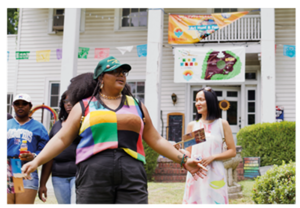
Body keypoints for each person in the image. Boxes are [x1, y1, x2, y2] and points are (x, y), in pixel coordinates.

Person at [21, 56, 207, 204]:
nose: (121, 75)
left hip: (132, 171)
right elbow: (61, 139)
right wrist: (37, 161)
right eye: (115, 72)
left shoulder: (136, 105)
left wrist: (183, 159)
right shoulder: (84, 106)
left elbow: (156, 140)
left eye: (123, 72)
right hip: (94, 173)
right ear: (101, 78)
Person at [175, 87, 236, 204]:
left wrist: (213, 157)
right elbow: (189, 152)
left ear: (210, 101)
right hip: (196, 174)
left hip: (215, 173)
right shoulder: (193, 125)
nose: (197, 103)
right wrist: (179, 151)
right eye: (196, 100)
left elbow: (232, 151)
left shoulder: (221, 124)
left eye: (201, 100)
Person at [38, 91, 79, 204]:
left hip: (78, 174)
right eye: (65, 101)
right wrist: (42, 184)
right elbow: (49, 155)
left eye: (72, 101)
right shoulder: (56, 126)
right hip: (58, 176)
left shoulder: (84, 123)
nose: (69, 104)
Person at [7, 93, 49, 204]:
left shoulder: (39, 127)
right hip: (7, 167)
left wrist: (34, 156)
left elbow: (46, 151)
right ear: (13, 106)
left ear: (30, 106)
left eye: (24, 104)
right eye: (17, 104)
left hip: (26, 168)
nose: (20, 106)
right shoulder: (6, 124)